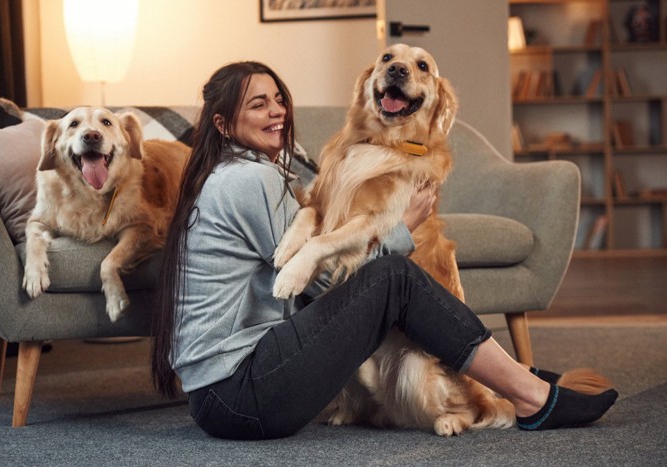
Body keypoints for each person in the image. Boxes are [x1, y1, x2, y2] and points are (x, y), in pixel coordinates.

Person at [151, 61, 617, 440]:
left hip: (222, 397)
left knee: (392, 277)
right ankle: (531, 395)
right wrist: (402, 228)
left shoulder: (227, 173)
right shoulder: (250, 179)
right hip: (242, 395)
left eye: (278, 99)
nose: (277, 112)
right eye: (258, 104)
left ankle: (515, 379)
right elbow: (318, 283)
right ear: (223, 123)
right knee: (394, 275)